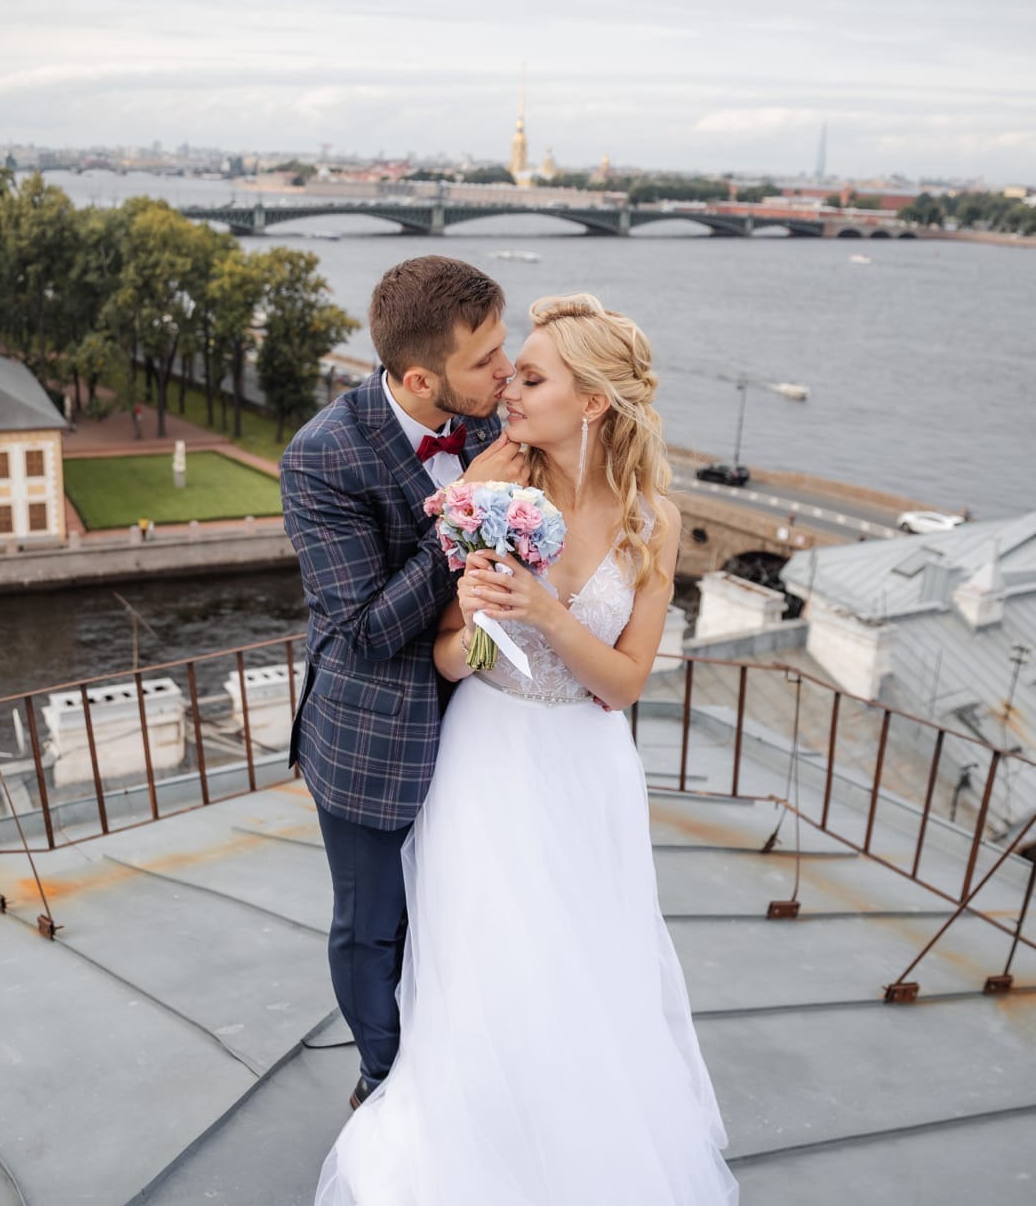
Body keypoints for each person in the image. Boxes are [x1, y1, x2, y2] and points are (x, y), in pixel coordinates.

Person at [315, 295, 738, 1205]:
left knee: (585, 960)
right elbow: (441, 652)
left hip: (586, 769)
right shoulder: (494, 492)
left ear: (591, 402)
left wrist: (544, 611)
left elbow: (623, 683)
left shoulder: (652, 521)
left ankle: (577, 1136)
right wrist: (471, 625)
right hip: (485, 757)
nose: (507, 388)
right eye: (510, 369)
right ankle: (481, 1137)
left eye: (531, 375)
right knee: (487, 962)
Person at [280, 256, 528, 1111]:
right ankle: (384, 1079)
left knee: (462, 904)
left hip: (485, 717)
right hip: (372, 735)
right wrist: (466, 503)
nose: (509, 370)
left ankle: (457, 1043)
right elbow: (366, 630)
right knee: (373, 923)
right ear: (421, 379)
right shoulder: (321, 458)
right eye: (488, 359)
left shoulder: (491, 424)